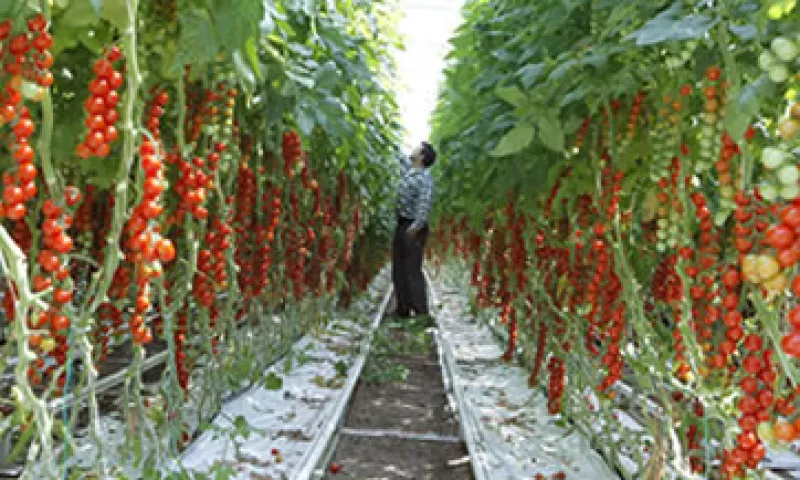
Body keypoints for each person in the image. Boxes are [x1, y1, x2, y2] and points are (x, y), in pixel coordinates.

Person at [392, 141, 436, 318]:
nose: (413, 149)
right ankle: (402, 309)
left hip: (413, 227)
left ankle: (421, 313)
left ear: (422, 156)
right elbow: (399, 156)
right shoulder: (411, 172)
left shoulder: (425, 178)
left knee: (412, 269)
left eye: (417, 148)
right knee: (399, 268)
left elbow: (425, 202)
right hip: (402, 224)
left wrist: (417, 225)